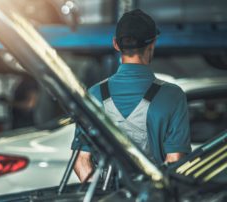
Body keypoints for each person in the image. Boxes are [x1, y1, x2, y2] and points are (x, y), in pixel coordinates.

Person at [71, 9, 191, 182]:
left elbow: (81, 160)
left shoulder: (95, 94)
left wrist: (102, 196)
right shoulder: (172, 95)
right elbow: (175, 161)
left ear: (116, 44)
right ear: (153, 43)